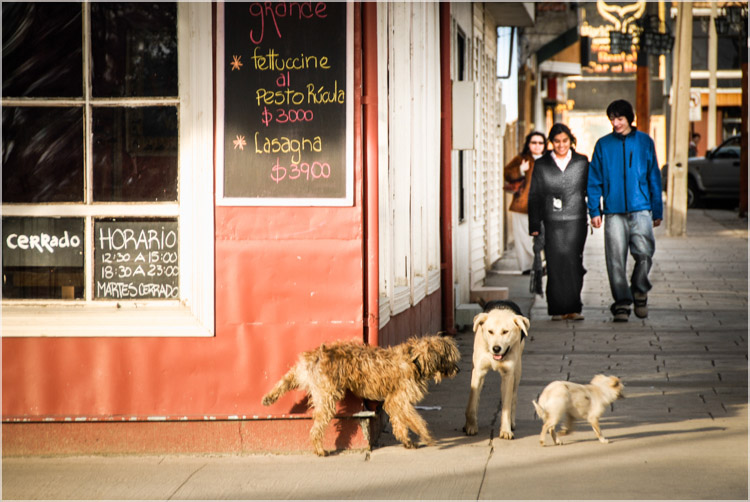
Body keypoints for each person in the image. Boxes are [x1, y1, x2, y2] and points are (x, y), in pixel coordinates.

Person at [587, 99, 663, 322]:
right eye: (612, 118)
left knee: (645, 253)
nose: (615, 122)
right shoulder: (603, 145)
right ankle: (621, 303)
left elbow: (653, 177)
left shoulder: (645, 142)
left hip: (641, 209)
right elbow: (594, 181)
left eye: (619, 118)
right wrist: (594, 210)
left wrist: (657, 209)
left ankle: (639, 289)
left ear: (629, 118)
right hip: (613, 211)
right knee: (615, 260)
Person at [528, 124, 589, 321]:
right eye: (556, 141)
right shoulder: (542, 164)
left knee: (573, 262)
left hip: (576, 220)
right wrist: (535, 225)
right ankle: (557, 309)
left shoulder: (582, 161)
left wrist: (597, 212)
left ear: (571, 141)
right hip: (551, 221)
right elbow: (535, 195)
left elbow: (591, 189)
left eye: (564, 141)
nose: (561, 145)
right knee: (555, 263)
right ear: (551, 143)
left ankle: (573, 308)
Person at [504, 131, 546, 274]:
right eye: (534, 142)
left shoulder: (549, 159)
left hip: (544, 206)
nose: (537, 146)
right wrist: (521, 170)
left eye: (540, 143)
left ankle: (541, 264)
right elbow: (507, 174)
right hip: (522, 204)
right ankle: (527, 267)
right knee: (523, 238)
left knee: (542, 237)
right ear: (528, 144)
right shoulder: (521, 159)